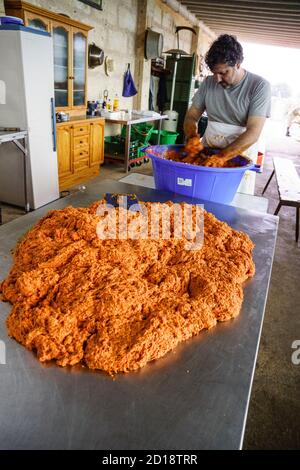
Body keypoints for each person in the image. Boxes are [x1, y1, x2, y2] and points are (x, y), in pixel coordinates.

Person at [184, 34, 271, 167]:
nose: (217, 79)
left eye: (223, 73)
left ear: (237, 64)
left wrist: (220, 157)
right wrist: (192, 137)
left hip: (240, 155)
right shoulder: (208, 83)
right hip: (208, 148)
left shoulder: (259, 86)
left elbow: (253, 132)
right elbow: (191, 117)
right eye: (214, 73)